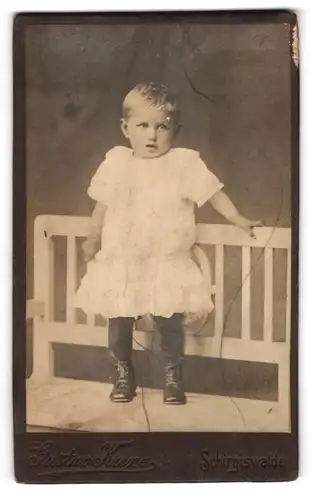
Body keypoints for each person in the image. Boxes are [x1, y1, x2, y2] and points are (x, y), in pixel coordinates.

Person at [75, 82, 261, 405]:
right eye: (143, 126)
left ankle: (172, 376)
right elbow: (101, 207)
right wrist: (93, 237)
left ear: (175, 129)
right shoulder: (117, 163)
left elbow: (214, 194)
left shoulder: (183, 164)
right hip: (124, 260)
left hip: (166, 261)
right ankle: (123, 371)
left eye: (162, 127)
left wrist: (238, 219)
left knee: (170, 320)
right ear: (125, 128)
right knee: (118, 317)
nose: (152, 135)